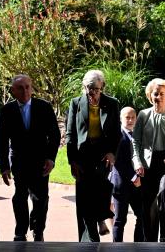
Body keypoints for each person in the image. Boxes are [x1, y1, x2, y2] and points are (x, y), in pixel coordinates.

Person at [0, 74, 61, 241]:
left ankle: (38, 229)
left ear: (31, 89)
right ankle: (20, 231)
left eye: (27, 87)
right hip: (19, 161)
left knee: (41, 199)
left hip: (41, 161)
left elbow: (54, 135)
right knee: (20, 197)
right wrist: (4, 166)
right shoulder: (6, 111)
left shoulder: (44, 107)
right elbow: (1, 141)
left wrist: (51, 159)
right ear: (13, 91)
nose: (24, 91)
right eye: (20, 88)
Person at [66, 69, 121, 242]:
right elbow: (70, 134)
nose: (93, 93)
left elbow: (116, 133)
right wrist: (72, 161)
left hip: (102, 154)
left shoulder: (112, 104)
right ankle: (90, 237)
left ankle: (100, 218)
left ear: (102, 87)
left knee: (102, 189)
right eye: (89, 89)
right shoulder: (76, 103)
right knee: (84, 196)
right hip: (83, 154)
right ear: (84, 87)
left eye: (96, 89)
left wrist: (112, 153)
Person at [132, 78, 165, 242]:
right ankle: (150, 239)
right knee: (147, 203)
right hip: (148, 163)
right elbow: (136, 141)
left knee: (164, 192)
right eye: (156, 94)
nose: (159, 97)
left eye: (162, 94)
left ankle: (164, 232)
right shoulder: (143, 115)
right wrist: (138, 162)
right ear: (150, 95)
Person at [109, 106, 145, 242]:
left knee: (142, 216)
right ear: (121, 119)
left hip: (137, 186)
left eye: (133, 117)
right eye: (127, 117)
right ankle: (117, 247)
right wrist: (134, 176)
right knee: (120, 220)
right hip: (121, 184)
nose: (130, 120)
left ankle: (138, 245)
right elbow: (118, 162)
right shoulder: (116, 136)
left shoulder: (139, 135)